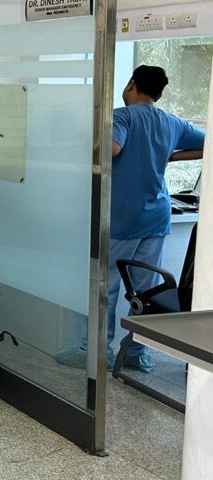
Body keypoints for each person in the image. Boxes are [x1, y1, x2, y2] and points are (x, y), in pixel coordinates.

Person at [55, 64, 205, 373]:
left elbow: (111, 148)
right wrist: (170, 155)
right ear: (159, 93)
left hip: (122, 218)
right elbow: (206, 143)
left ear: (131, 84)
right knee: (146, 288)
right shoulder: (171, 122)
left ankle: (95, 350)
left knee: (104, 285)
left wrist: (86, 138)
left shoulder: (121, 116)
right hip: (156, 217)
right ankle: (137, 351)